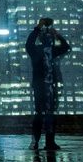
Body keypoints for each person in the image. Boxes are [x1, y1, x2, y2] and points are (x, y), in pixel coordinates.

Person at [25, 17, 70, 150]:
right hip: (40, 86)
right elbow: (29, 44)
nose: (48, 38)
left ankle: (49, 142)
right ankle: (35, 142)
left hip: (50, 85)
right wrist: (38, 28)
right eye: (46, 36)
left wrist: (56, 34)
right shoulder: (36, 50)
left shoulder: (52, 51)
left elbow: (66, 47)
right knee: (40, 113)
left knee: (50, 113)